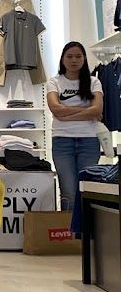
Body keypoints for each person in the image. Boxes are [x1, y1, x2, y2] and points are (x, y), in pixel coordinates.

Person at [46, 41, 104, 211]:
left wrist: (66, 114)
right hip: (62, 142)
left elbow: (97, 110)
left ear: (84, 59)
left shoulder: (94, 82)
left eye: (78, 56)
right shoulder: (54, 82)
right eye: (69, 56)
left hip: (90, 141)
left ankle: (86, 234)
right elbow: (55, 108)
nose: (74, 60)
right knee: (68, 191)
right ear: (63, 59)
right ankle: (69, 235)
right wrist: (86, 110)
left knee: (86, 189)